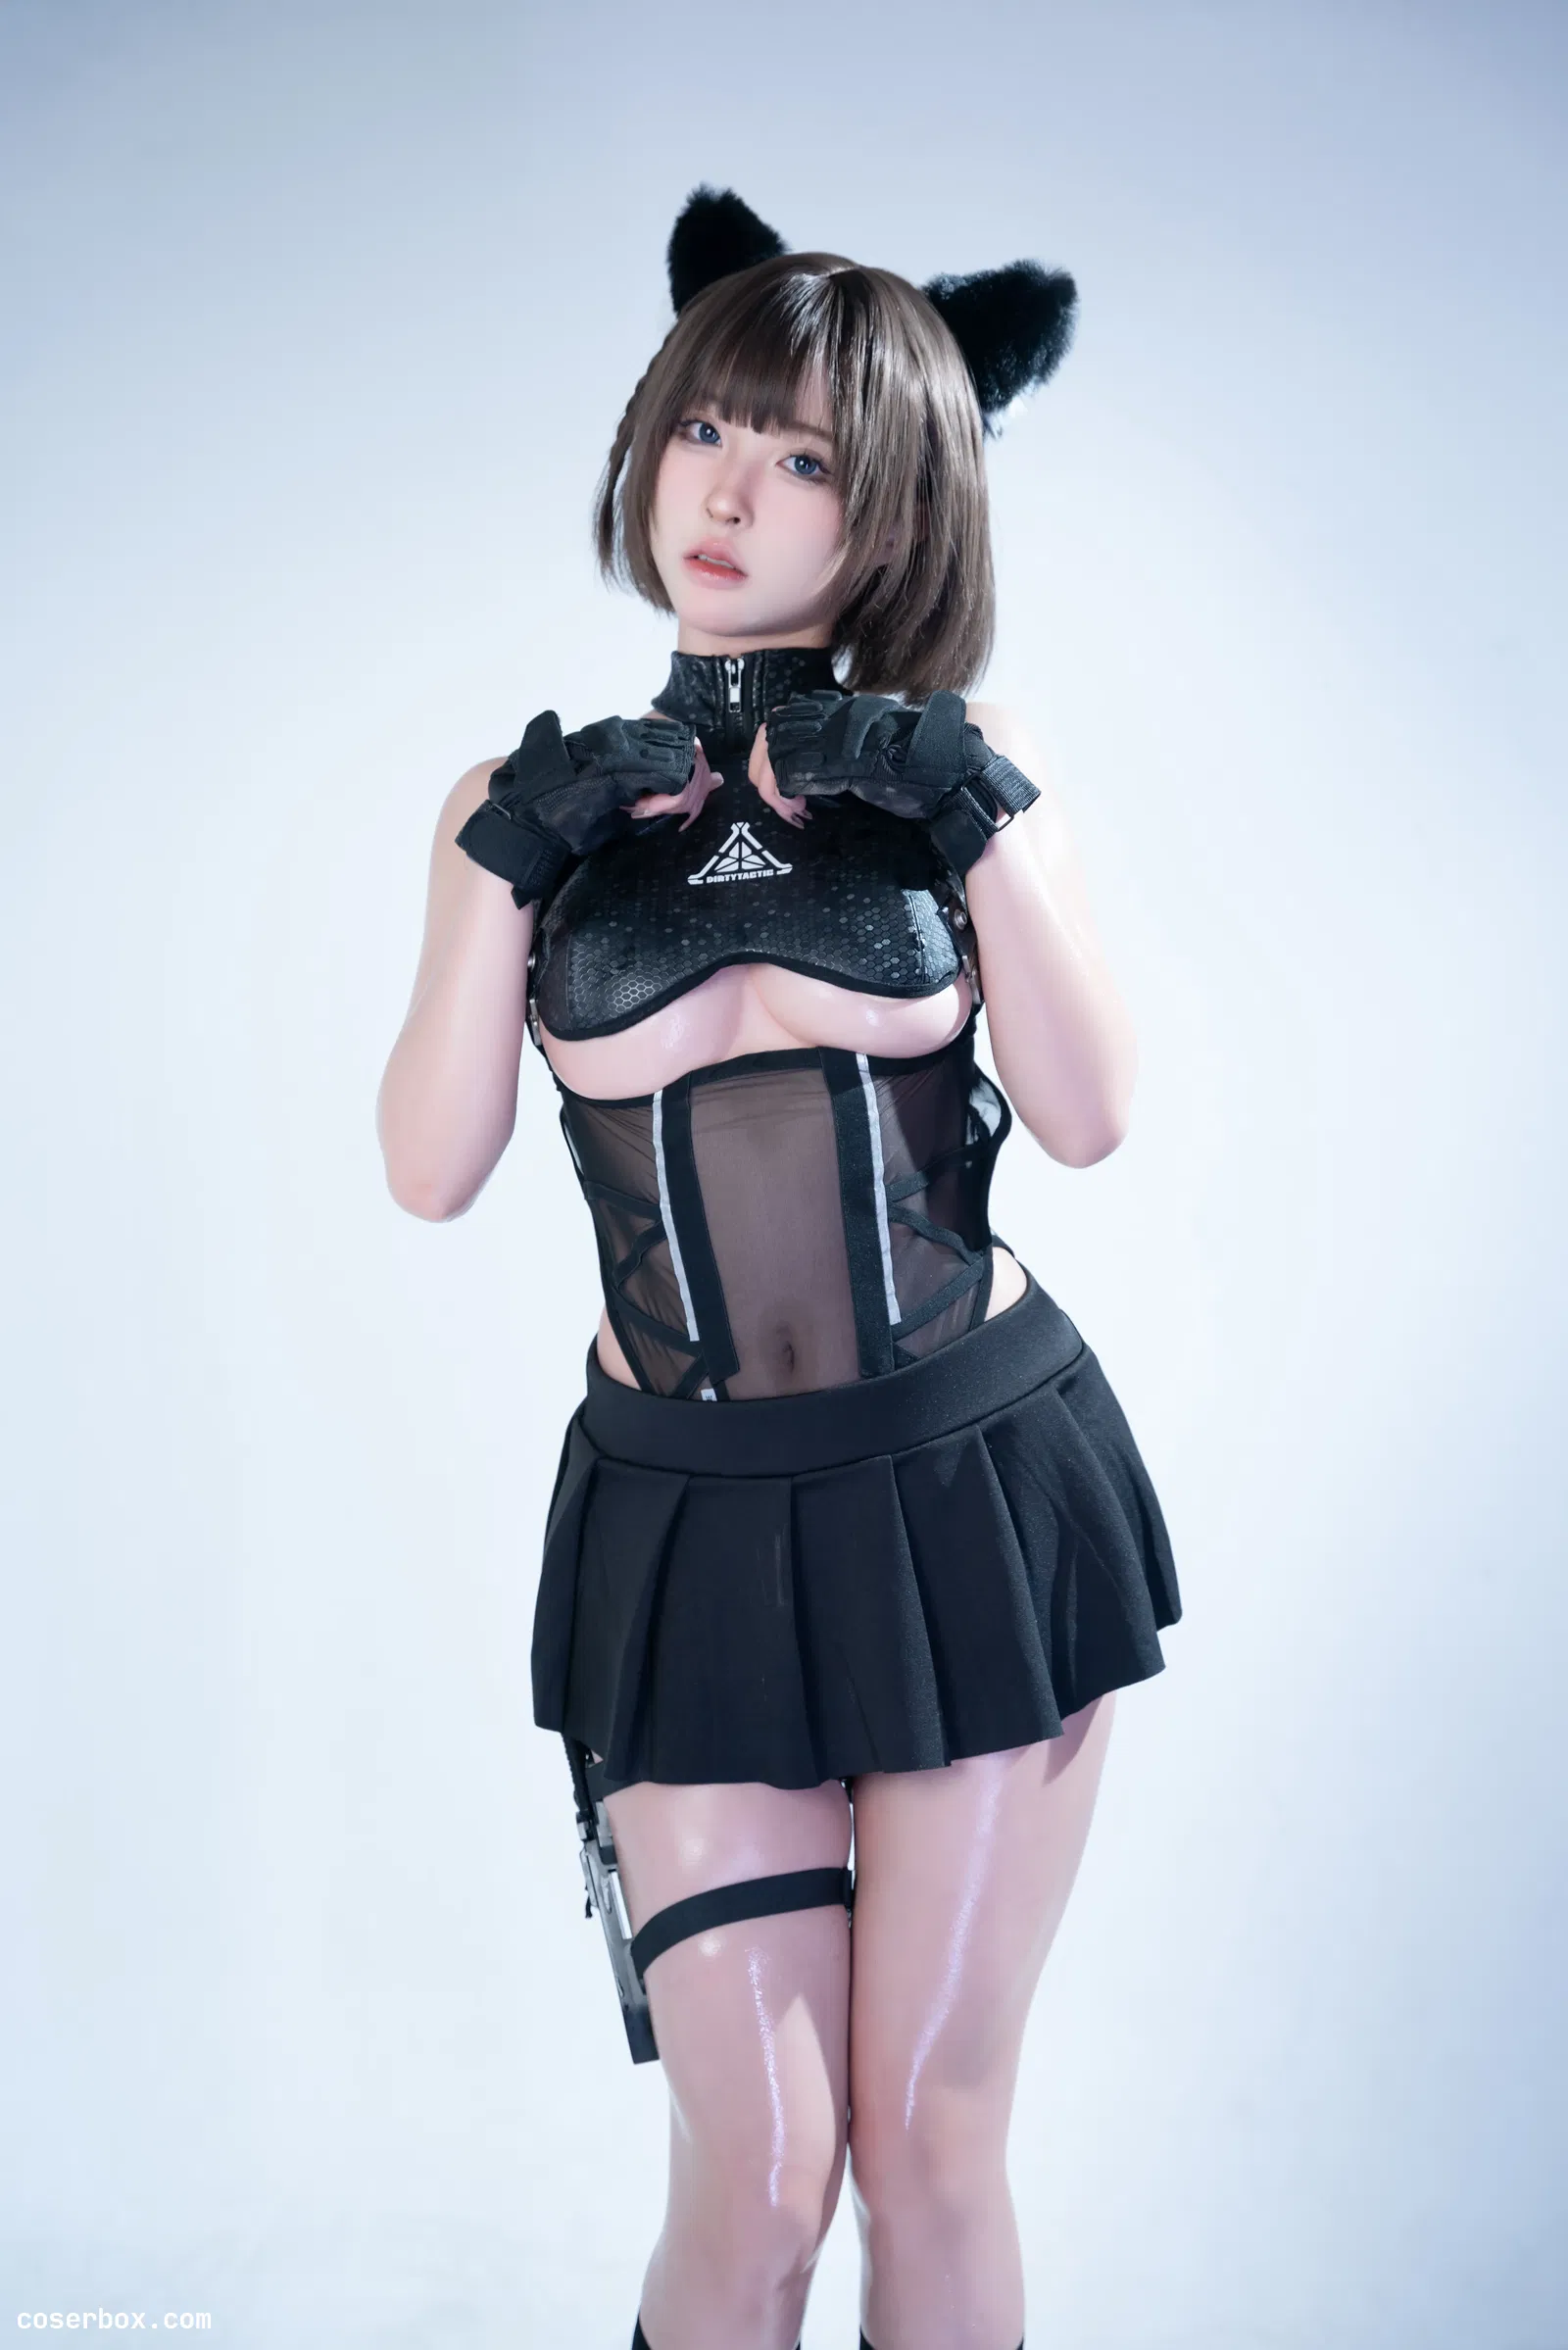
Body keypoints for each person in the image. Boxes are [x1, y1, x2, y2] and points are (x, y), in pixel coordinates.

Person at [377, 185, 1181, 2350]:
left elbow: (1089, 1114)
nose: (728, 493)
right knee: (754, 2178)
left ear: (902, 499)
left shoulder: (963, 796)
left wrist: (971, 800)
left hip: (969, 1495)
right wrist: (508, 864)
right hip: (686, 1522)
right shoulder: (517, 803)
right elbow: (430, 1169)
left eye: (806, 456)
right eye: (706, 429)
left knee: (926, 2141)